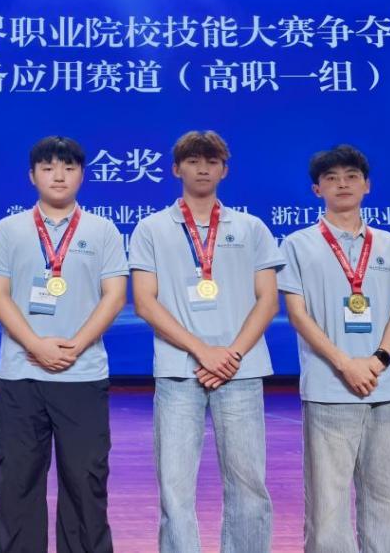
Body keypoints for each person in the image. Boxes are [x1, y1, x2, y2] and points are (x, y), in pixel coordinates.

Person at [130, 130, 284, 553]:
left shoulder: (251, 227)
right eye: (193, 161)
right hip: (179, 370)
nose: (202, 169)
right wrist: (203, 351)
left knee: (248, 484)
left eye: (211, 161)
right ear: (176, 169)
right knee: (175, 486)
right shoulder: (151, 229)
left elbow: (268, 300)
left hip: (240, 369)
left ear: (224, 170)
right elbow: (144, 302)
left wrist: (230, 355)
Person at [0, 135, 128, 553]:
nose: (58, 176)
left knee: (85, 482)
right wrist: (35, 345)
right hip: (22, 373)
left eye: (68, 167)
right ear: (32, 176)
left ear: (82, 174)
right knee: (17, 483)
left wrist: (75, 346)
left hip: (82, 375)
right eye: (48, 168)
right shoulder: (9, 229)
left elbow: (114, 296)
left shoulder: (102, 230)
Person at [278, 145, 390, 553]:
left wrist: (377, 360)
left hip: (384, 385)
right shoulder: (298, 244)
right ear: (317, 190)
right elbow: (298, 314)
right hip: (328, 386)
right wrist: (345, 364)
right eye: (331, 178)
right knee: (327, 501)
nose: (342, 184)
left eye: (351, 176)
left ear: (367, 185)